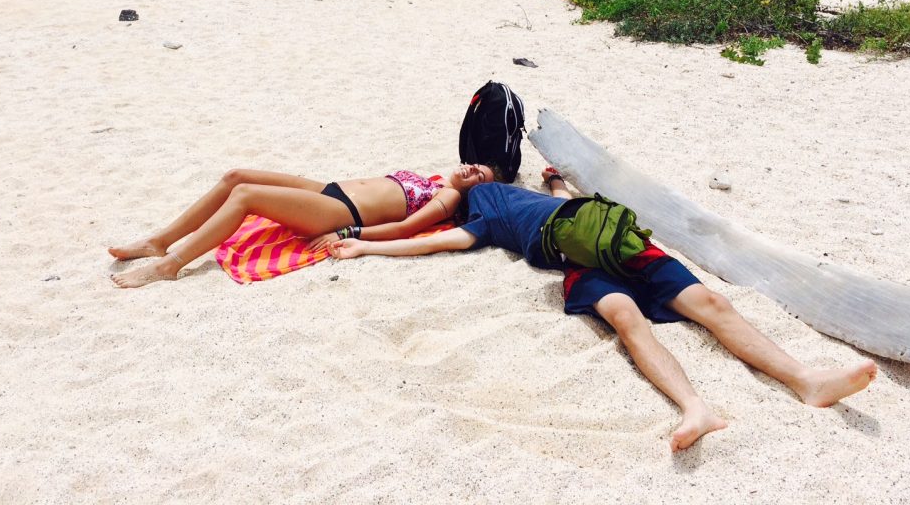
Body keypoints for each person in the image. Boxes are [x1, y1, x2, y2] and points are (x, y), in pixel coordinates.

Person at [330, 167, 878, 451]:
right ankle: (695, 409)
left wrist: (554, 181)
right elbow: (430, 240)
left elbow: (569, 201)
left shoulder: (522, 191)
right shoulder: (481, 214)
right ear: (450, 199)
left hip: (611, 237)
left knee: (710, 302)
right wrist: (366, 244)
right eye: (458, 175)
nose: (467, 171)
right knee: (625, 317)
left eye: (474, 168)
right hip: (580, 259)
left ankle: (808, 380)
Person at [109, 164, 494, 288]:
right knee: (235, 176)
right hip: (330, 190)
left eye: (479, 175)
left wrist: (349, 234)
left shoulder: (450, 199)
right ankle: (160, 241)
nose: (472, 170)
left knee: (245, 195)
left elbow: (404, 228)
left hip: (342, 213)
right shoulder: (436, 180)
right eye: (475, 164)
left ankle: (171, 264)